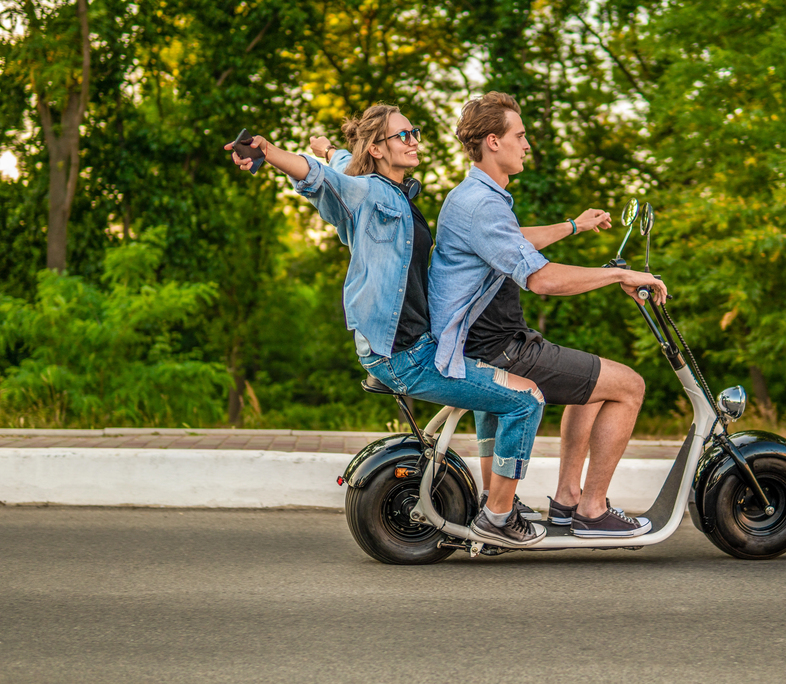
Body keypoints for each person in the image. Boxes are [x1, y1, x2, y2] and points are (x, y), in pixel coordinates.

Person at [225, 105, 546, 547]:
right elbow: (324, 177)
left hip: (413, 346)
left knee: (496, 395)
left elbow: (336, 163)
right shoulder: (371, 194)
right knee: (525, 400)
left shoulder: (391, 191)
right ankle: (499, 518)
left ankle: (497, 498)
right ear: (377, 149)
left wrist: (329, 147)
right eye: (403, 135)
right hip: (405, 354)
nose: (415, 140)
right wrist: (270, 150)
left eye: (414, 132)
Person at [429, 92, 668, 538]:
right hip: (499, 348)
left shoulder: (476, 196)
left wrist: (574, 225)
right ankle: (592, 512)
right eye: (520, 136)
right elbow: (540, 280)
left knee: (593, 387)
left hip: (487, 340)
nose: (527, 145)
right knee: (629, 386)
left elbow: (514, 239)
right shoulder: (482, 203)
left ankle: (568, 502)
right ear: (493, 141)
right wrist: (618, 277)